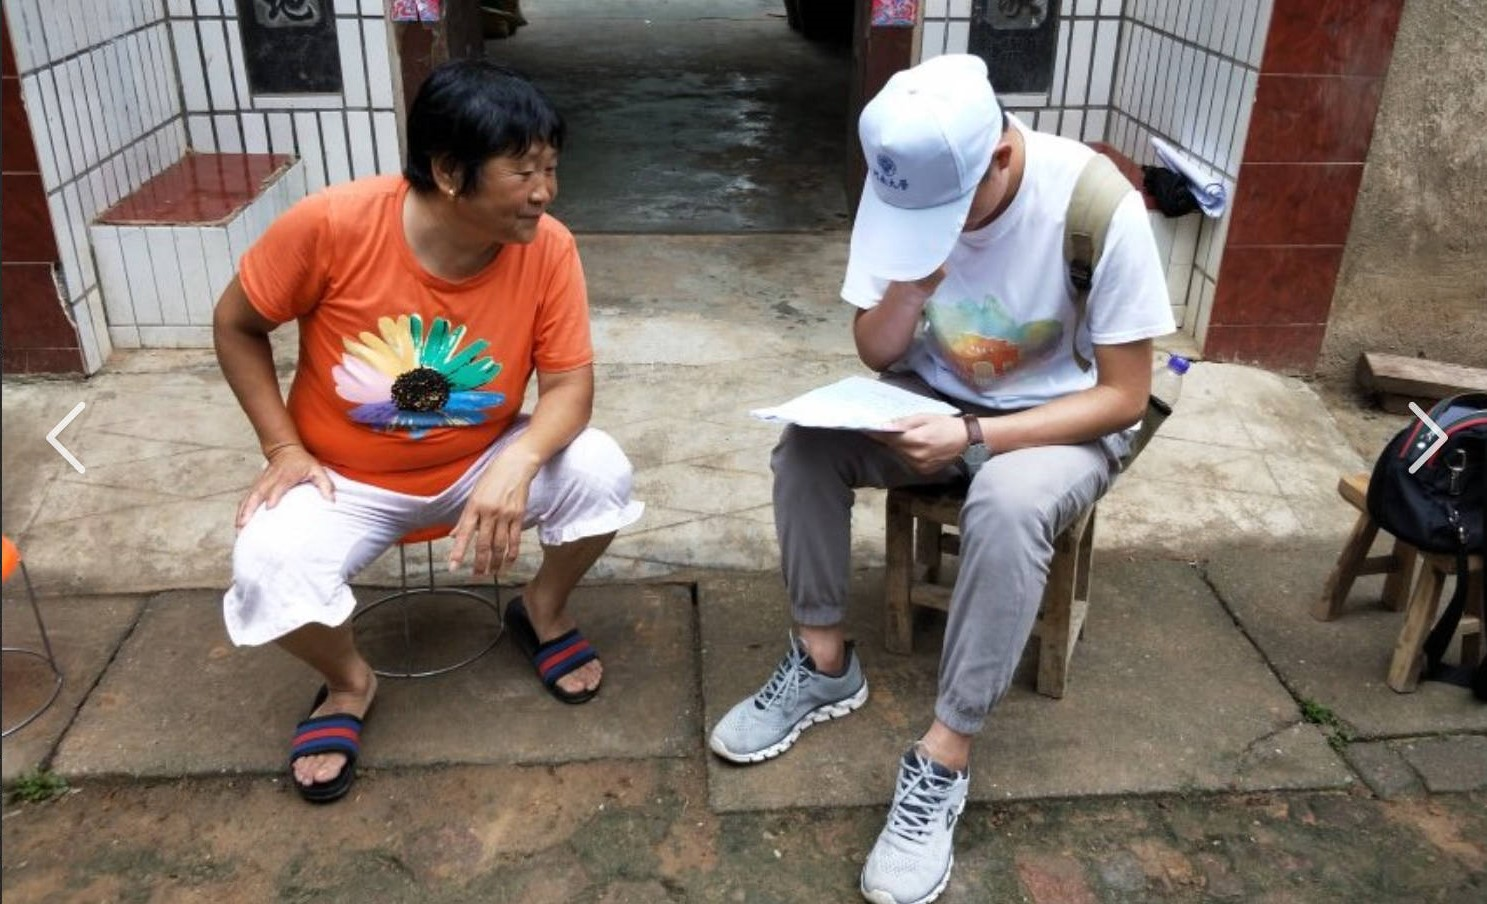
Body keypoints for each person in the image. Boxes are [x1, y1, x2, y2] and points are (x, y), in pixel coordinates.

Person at [709, 54, 1174, 903]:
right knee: (804, 445)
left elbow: (1123, 397)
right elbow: (874, 352)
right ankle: (822, 661)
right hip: (932, 399)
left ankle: (944, 754)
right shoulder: (903, 185)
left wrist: (976, 435)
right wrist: (908, 290)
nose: (934, 229)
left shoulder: (1093, 206)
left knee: (1005, 502)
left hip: (1058, 420)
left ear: (999, 156)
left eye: (950, 211)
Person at [214, 60, 643, 804]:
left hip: (481, 462)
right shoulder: (331, 225)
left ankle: (542, 609)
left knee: (600, 469)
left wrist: (520, 461)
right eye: (523, 172)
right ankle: (347, 684)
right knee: (265, 564)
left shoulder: (548, 247)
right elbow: (236, 324)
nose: (545, 191)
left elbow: (570, 387)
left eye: (550, 168)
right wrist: (282, 447)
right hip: (341, 479)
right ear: (448, 172)